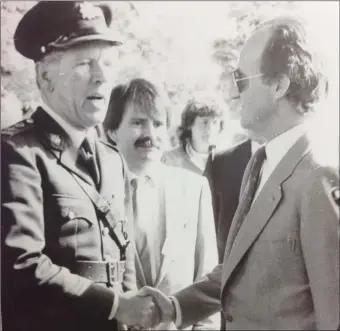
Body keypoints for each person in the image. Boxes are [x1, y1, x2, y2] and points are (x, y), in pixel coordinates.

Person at [140, 15, 340, 330]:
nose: (234, 93)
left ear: (279, 85)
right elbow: (241, 268)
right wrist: (175, 307)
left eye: (241, 78)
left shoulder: (320, 175)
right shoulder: (260, 162)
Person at [1, 2, 158, 331]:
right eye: (85, 64)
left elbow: (121, 256)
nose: (102, 77)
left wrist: (130, 311)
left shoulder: (111, 158)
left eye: (107, 63)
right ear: (45, 76)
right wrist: (116, 306)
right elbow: (22, 265)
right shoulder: (17, 152)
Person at [103, 78, 220, 330]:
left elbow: (206, 281)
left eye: (157, 124)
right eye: (138, 122)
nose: (151, 134)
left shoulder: (194, 188)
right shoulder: (97, 193)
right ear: (112, 130)